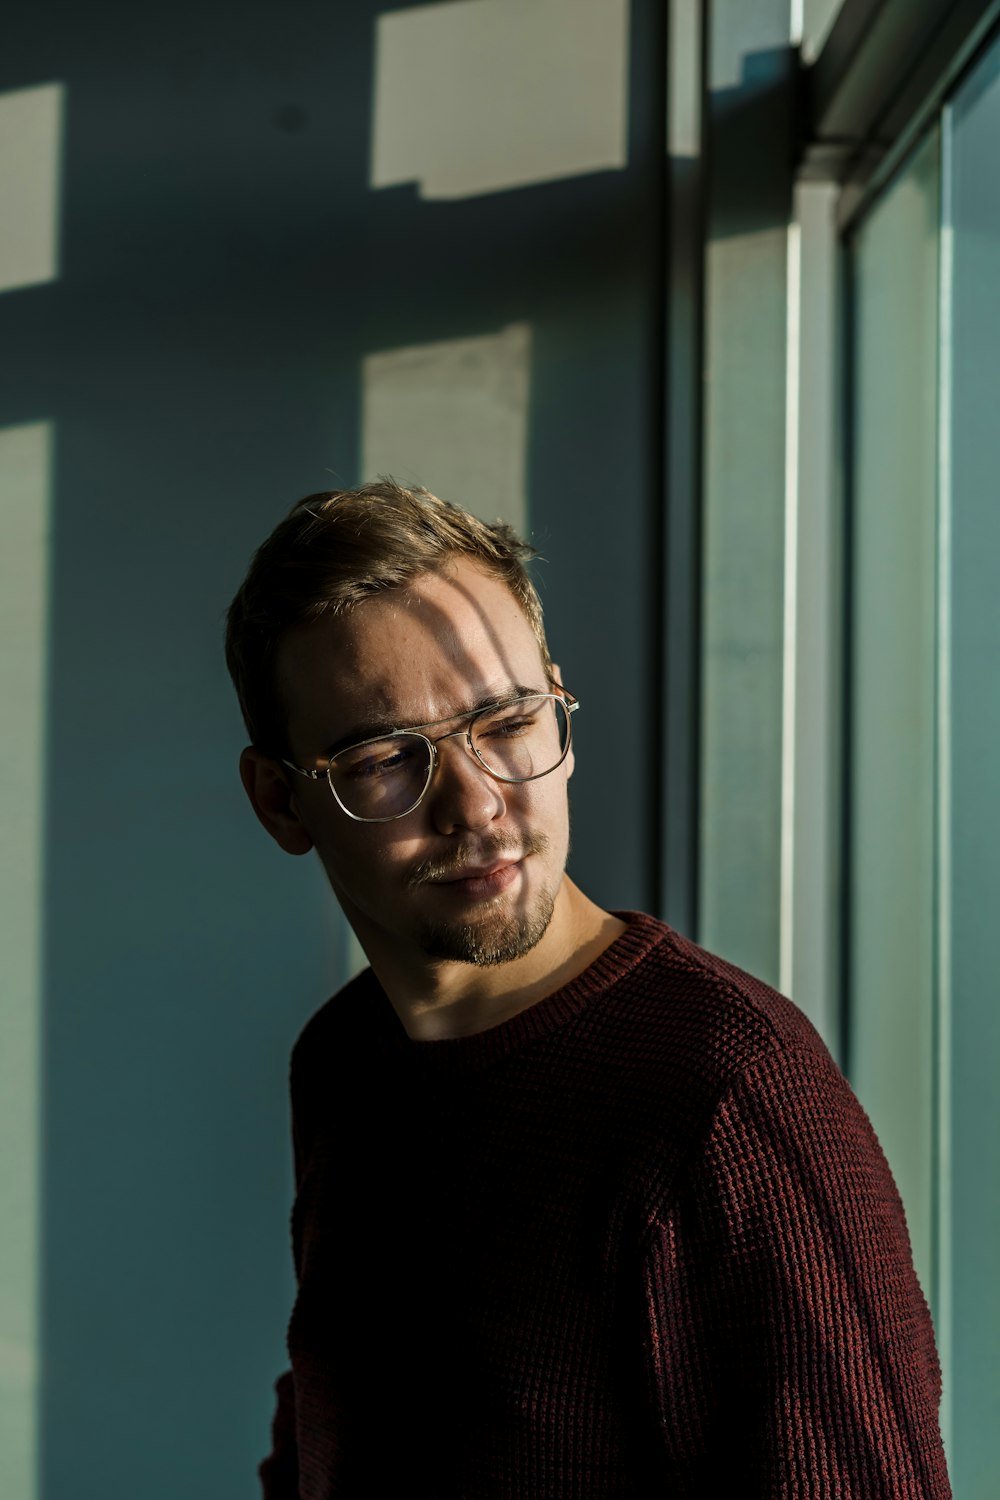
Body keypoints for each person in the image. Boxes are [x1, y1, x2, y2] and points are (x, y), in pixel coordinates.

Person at [226, 481, 950, 1498]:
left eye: (508, 721)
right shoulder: (347, 1059)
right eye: (387, 757)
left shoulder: (726, 1098)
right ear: (280, 800)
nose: (477, 806)